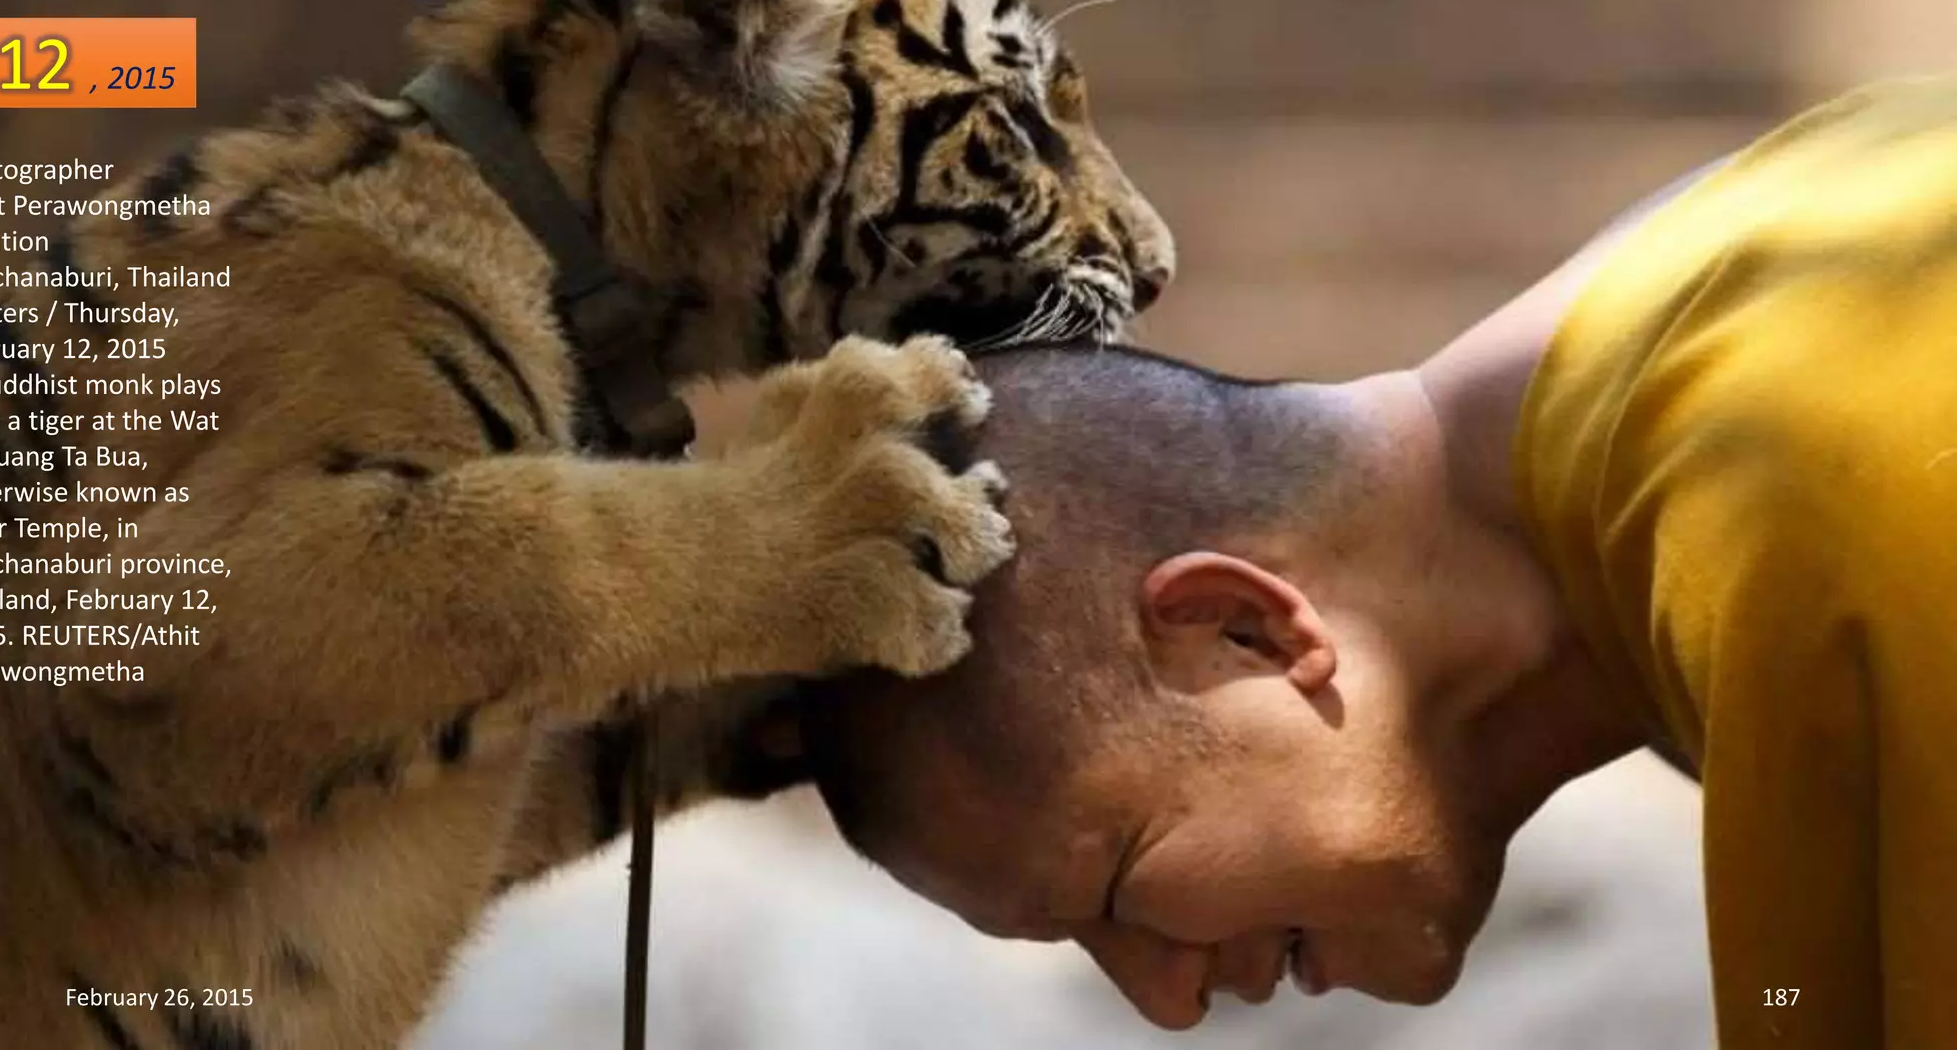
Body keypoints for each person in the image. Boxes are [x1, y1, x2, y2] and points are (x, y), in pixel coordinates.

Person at [793, 76, 1957, 1049]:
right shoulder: (1721, 289)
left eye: (1116, 897)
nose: (1170, 1003)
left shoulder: (1818, 481)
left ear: (1241, 628)